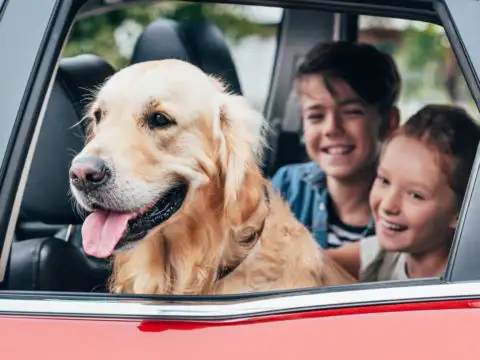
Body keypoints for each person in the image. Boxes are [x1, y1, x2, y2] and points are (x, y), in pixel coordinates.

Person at [326, 104, 480, 281]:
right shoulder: (384, 254)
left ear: (462, 212)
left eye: (415, 195)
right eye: (384, 181)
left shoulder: (465, 283)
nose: (388, 205)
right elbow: (313, 263)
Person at [272, 41, 401, 249]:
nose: (332, 128)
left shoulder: (404, 211)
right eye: (316, 115)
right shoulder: (288, 186)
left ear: (389, 122)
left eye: (351, 112)